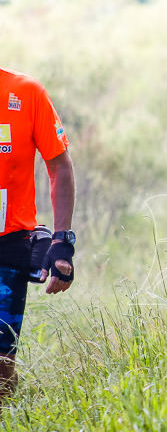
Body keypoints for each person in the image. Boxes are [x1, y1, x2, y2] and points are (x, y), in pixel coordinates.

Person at [0, 66, 76, 397]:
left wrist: (62, 241)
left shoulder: (26, 92)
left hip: (9, 244)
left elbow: (59, 165)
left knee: (1, 370)